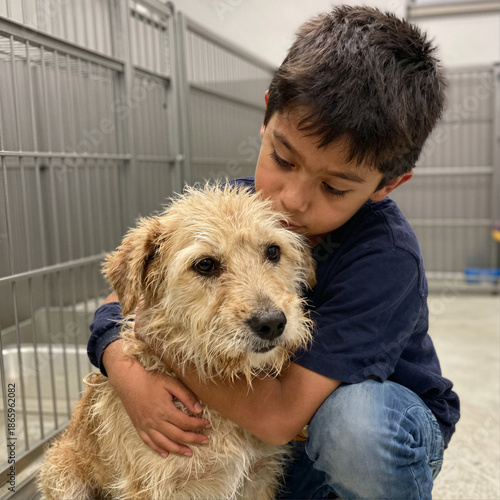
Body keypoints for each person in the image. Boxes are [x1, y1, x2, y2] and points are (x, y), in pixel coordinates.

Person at [88, 6, 460, 498]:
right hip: (279, 431)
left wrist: (155, 349)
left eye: (334, 186)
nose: (291, 201)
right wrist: (121, 363)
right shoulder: (235, 208)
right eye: (283, 160)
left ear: (387, 185)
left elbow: (277, 417)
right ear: (266, 116)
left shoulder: (387, 260)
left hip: (370, 431)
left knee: (354, 427)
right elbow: (125, 301)